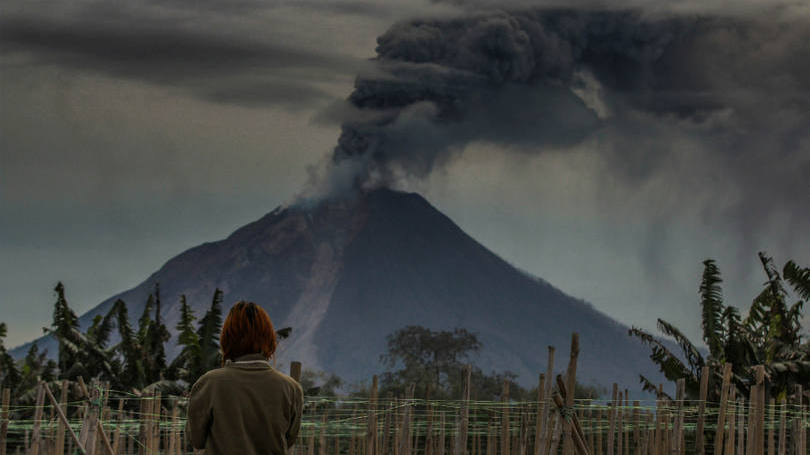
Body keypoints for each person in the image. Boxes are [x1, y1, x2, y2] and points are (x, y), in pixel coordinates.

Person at [187, 301, 304, 455]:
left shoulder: (209, 384)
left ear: (228, 338)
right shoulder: (290, 388)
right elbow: (288, 440)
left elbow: (196, 439)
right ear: (269, 338)